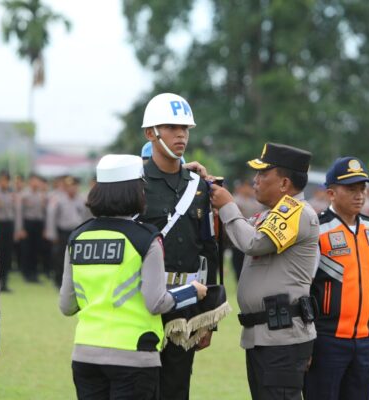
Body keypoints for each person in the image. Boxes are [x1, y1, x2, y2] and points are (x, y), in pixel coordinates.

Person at [59, 154, 207, 400]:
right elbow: (156, 302)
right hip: (134, 355)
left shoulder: (78, 237)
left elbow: (66, 305)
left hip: (85, 354)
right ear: (135, 191)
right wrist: (192, 291)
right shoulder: (146, 238)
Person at [210, 143, 317, 400]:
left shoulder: (295, 211)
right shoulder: (268, 216)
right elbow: (237, 235)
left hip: (282, 337)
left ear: (284, 183)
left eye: (262, 174)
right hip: (266, 335)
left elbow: (253, 242)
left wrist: (228, 205)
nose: (255, 181)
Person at [138, 92, 219, 399]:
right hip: (142, 302)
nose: (181, 134)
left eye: (185, 128)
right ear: (151, 133)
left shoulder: (199, 187)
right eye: (171, 127)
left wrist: (207, 318)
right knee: (142, 387)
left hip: (186, 304)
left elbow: (208, 251)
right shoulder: (135, 183)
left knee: (177, 388)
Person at [304, 156, 369, 400]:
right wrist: (305, 345)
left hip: (362, 342)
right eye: (351, 189)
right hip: (325, 341)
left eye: (363, 189)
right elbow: (302, 289)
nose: (359, 195)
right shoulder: (317, 229)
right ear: (331, 193)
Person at [46, 176, 92, 288]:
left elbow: (86, 216)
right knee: (60, 257)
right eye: (69, 186)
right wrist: (52, 234)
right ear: (66, 188)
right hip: (63, 232)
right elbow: (51, 217)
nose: (72, 189)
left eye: (74, 186)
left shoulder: (82, 199)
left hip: (77, 231)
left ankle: (74, 281)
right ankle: (58, 280)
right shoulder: (58, 199)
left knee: (77, 257)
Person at [16, 173, 49, 282]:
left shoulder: (42, 195)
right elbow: (19, 213)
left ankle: (34, 273)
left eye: (37, 181)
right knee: (27, 249)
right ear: (30, 182)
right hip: (28, 224)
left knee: (36, 249)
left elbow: (44, 213)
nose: (36, 183)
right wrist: (20, 229)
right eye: (34, 181)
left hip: (38, 224)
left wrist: (45, 228)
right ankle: (26, 273)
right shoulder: (24, 195)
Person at [230, 178, 265, 280]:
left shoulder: (255, 202)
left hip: (252, 236)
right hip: (239, 237)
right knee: (238, 268)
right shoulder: (236, 200)